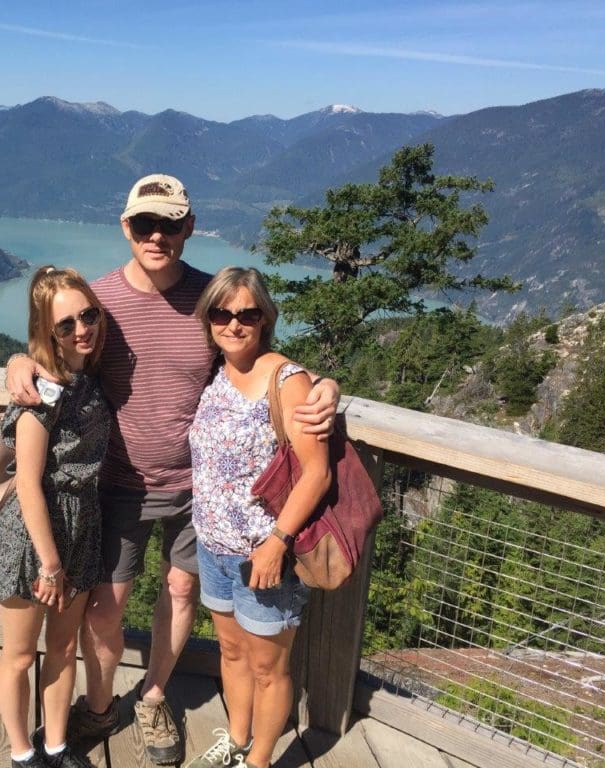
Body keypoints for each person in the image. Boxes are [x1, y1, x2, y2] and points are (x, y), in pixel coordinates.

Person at [6, 174, 340, 765]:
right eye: (144, 224)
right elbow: (56, 352)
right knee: (107, 606)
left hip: (199, 489)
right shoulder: (100, 303)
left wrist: (323, 384)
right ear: (125, 227)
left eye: (169, 224)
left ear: (189, 226)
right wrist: (15, 363)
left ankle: (154, 695)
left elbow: (257, 353)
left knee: (182, 590)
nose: (156, 235)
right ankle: (102, 703)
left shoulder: (213, 300)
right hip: (115, 484)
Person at [185, 267, 331, 768]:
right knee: (231, 653)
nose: (233, 323)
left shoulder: (286, 380)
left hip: (265, 554)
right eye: (221, 313)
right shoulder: (216, 370)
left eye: (246, 313)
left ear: (265, 317)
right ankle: (238, 738)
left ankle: (260, 760)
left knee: (269, 667)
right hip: (213, 547)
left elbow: (317, 473)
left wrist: (276, 542)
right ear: (208, 318)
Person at [0, 266, 111, 768]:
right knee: (20, 655)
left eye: (89, 315)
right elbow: (27, 484)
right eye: (66, 325)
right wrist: (49, 564)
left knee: (62, 649)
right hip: (34, 537)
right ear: (46, 332)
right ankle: (23, 754)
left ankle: (57, 746)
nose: (82, 329)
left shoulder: (86, 374)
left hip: (82, 523)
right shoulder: (40, 395)